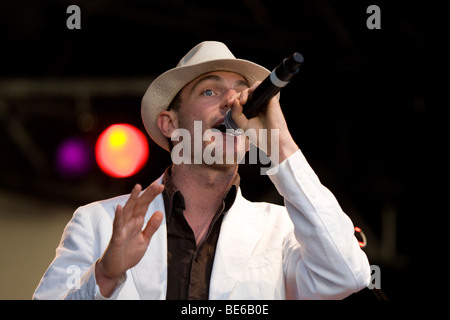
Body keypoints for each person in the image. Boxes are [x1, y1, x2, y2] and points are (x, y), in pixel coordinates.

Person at [33, 41, 370, 300]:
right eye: (210, 91)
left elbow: (347, 275)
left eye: (239, 92)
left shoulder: (282, 230)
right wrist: (104, 277)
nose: (231, 102)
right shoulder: (97, 222)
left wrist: (278, 140)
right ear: (170, 123)